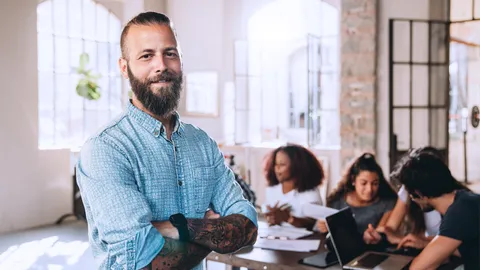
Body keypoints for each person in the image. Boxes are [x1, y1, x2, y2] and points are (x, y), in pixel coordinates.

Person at [76, 12, 258, 270]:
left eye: (170, 53)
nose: (161, 65)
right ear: (124, 67)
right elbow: (144, 262)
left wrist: (176, 228)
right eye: (146, 55)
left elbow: (248, 226)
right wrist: (213, 230)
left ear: (181, 60)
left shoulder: (203, 143)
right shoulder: (106, 149)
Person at [384, 149, 480, 269]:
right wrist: (424, 243)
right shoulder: (466, 200)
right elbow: (469, 249)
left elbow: (420, 268)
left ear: (418, 193)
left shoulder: (459, 212)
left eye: (411, 194)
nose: (412, 199)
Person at [318, 153, 397, 235]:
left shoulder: (387, 203)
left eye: (375, 183)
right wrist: (324, 227)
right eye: (363, 183)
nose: (369, 189)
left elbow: (379, 236)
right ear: (353, 180)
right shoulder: (337, 201)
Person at [263, 144, 324, 229]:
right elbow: (270, 217)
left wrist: (288, 218)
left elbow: (312, 224)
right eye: (275, 164)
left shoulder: (311, 193)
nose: (277, 168)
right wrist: (271, 218)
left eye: (282, 164)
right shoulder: (272, 189)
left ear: (297, 166)